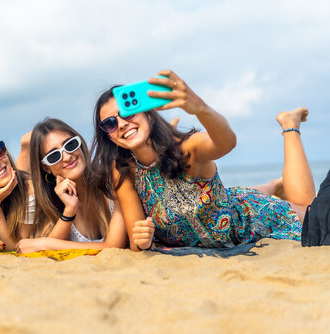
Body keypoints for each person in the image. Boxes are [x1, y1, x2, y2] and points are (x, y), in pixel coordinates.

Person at [93, 69, 316, 251]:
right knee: (232, 196)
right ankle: (276, 184)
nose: (121, 124)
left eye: (128, 113)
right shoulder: (123, 170)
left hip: (249, 220)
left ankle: (290, 124)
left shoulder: (188, 148)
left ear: (148, 113)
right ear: (108, 135)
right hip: (223, 202)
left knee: (309, 209)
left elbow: (226, 142)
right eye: (110, 123)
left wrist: (200, 108)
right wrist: (143, 241)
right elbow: (137, 242)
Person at [16, 118, 126, 253]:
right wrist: (69, 210)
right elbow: (46, 254)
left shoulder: (111, 180)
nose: (67, 157)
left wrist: (47, 243)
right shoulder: (52, 205)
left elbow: (114, 246)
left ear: (79, 143)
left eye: (70, 144)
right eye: (53, 156)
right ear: (46, 168)